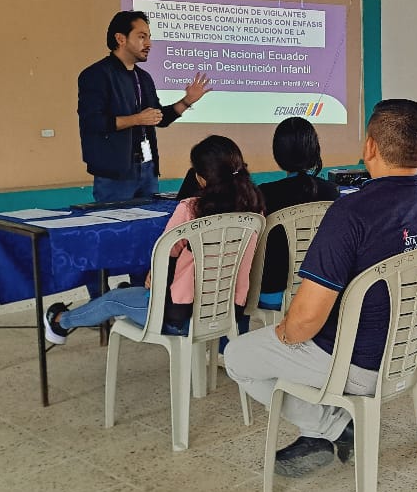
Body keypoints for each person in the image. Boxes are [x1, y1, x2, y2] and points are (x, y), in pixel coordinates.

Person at [224, 99, 417, 478]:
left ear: (370, 146)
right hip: (411, 355)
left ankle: (331, 426)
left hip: (354, 363)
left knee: (238, 356)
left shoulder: (350, 213)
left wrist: (283, 334)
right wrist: (415, 310)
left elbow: (305, 322)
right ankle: (324, 429)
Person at [42, 136, 264, 344]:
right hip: (228, 311)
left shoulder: (190, 209)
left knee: (112, 300)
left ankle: (60, 321)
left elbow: (165, 254)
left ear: (200, 178)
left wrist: (153, 276)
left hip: (180, 316)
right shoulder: (255, 210)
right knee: (131, 294)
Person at [78, 10, 212, 203]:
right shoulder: (96, 75)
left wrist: (187, 101)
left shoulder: (144, 77)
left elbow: (159, 118)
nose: (149, 44)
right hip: (115, 174)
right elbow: (93, 122)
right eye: (142, 37)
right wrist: (137, 119)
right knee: (116, 221)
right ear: (120, 38)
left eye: (149, 37)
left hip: (148, 168)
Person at [256, 116, 342, 311]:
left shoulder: (265, 193)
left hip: (273, 294)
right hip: (319, 290)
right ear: (314, 149)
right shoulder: (331, 192)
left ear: (278, 153)